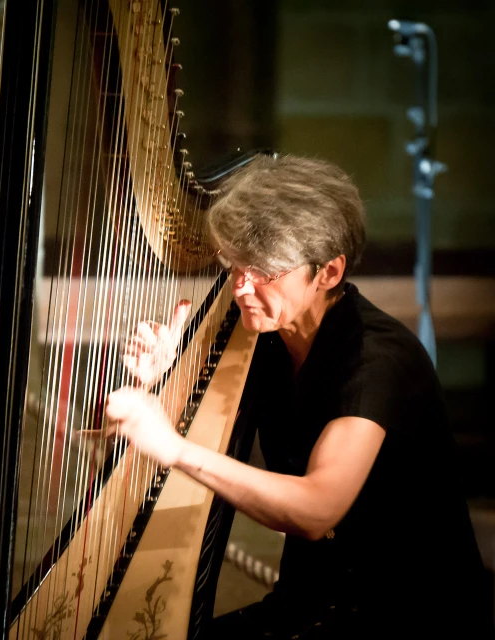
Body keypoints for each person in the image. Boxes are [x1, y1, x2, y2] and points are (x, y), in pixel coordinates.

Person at [105, 154, 495, 639]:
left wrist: (177, 448)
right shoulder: (263, 338)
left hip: (409, 619)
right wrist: (155, 384)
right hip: (309, 607)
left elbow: (316, 511)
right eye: (235, 265)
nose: (243, 287)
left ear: (328, 272)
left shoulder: (377, 360)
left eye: (265, 269)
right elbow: (132, 459)